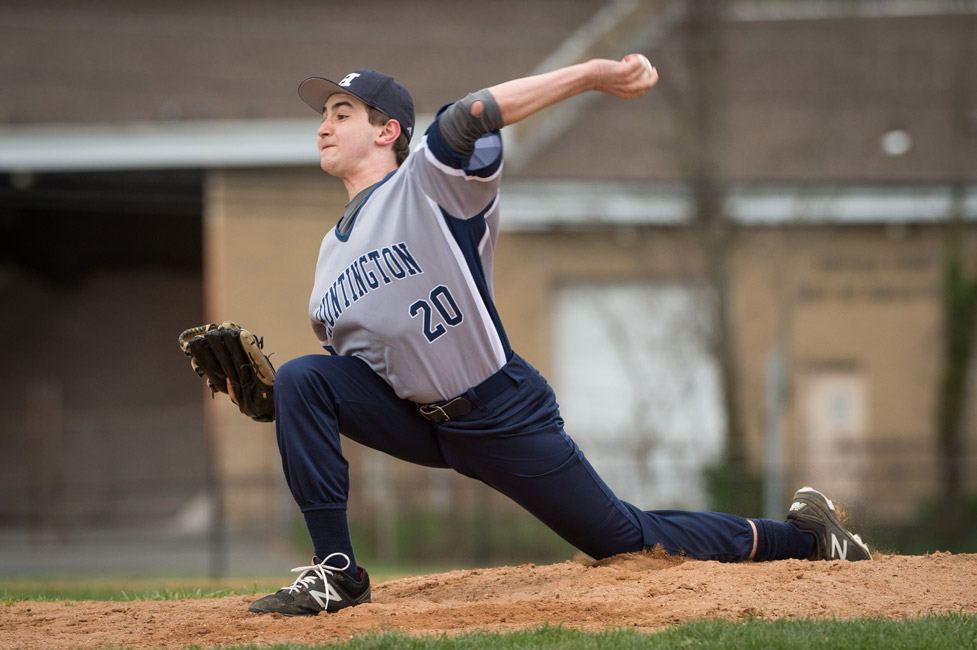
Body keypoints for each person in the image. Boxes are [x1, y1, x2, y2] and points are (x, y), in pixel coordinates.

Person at [245, 57, 872, 617]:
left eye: (342, 112)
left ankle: (808, 537)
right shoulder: (330, 255)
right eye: (324, 115)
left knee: (624, 541)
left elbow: (472, 116)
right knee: (303, 376)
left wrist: (594, 76)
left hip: (497, 412)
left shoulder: (430, 186)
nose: (324, 125)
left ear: (388, 132)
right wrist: (282, 402)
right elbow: (353, 373)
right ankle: (337, 574)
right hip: (417, 419)